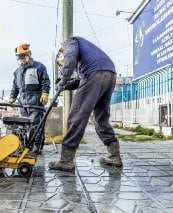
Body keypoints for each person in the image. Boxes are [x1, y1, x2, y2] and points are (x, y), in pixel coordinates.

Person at [48, 36, 122, 171]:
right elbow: (79, 81)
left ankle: (66, 160)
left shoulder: (70, 42)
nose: (62, 64)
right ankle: (114, 155)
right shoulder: (87, 53)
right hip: (110, 74)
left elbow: (70, 58)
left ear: (61, 51)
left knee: (77, 116)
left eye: (61, 63)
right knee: (101, 118)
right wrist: (65, 85)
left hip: (94, 74)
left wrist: (64, 77)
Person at [9, 44, 51, 154]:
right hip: (23, 103)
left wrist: (45, 93)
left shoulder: (39, 67)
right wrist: (12, 97)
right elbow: (15, 87)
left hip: (36, 101)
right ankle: (27, 146)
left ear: (29, 55)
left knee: (35, 125)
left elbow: (45, 82)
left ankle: (36, 147)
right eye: (20, 57)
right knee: (24, 126)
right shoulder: (17, 72)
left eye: (23, 56)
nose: (22, 59)